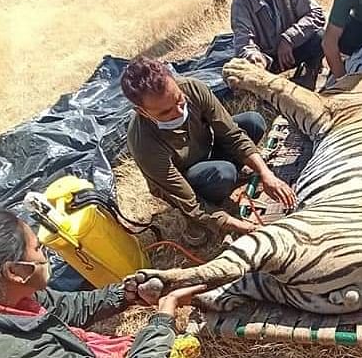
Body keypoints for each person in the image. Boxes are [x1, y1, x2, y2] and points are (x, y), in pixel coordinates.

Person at [0, 207, 207, 357]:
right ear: (15, 271)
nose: (45, 256)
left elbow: (67, 307)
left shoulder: (9, 297)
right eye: (37, 249)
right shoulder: (17, 351)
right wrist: (162, 322)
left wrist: (127, 293)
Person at [122, 56, 296, 237]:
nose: (179, 111)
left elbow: (232, 135)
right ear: (142, 111)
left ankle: (229, 177)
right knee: (223, 173)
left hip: (207, 153)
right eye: (166, 112)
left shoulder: (193, 89)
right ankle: (219, 189)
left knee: (252, 122)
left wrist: (265, 173)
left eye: (179, 100)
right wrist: (245, 227)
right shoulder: (143, 143)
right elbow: (190, 201)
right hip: (185, 181)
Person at [230, 0, 326, 90]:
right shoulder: (240, 3)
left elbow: (316, 14)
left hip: (294, 48)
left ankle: (310, 72)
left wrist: (289, 38)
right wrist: (255, 58)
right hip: (269, 61)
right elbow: (244, 41)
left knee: (321, 37)